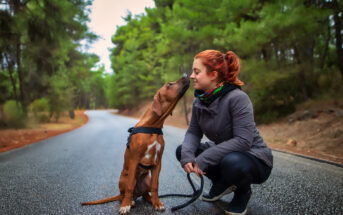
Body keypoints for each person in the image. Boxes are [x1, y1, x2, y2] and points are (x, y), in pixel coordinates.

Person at [175, 50, 273, 215]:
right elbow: (193, 132)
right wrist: (187, 156)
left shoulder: (237, 98)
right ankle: (221, 183)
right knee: (183, 150)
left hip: (253, 157)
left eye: (196, 72)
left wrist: (204, 158)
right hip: (225, 153)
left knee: (232, 162)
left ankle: (243, 192)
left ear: (213, 74)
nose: (192, 76)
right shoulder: (200, 100)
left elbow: (243, 141)